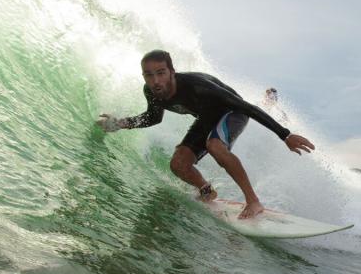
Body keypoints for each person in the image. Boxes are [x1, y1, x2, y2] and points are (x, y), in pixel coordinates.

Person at [96, 50, 315, 219]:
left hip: (233, 111)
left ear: (172, 71)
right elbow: (154, 117)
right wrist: (121, 123)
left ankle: (254, 201)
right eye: (148, 75)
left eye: (161, 73)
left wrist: (285, 135)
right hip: (207, 117)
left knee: (215, 146)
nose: (155, 81)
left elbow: (246, 107)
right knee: (178, 164)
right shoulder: (152, 92)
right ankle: (207, 191)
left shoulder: (198, 86)